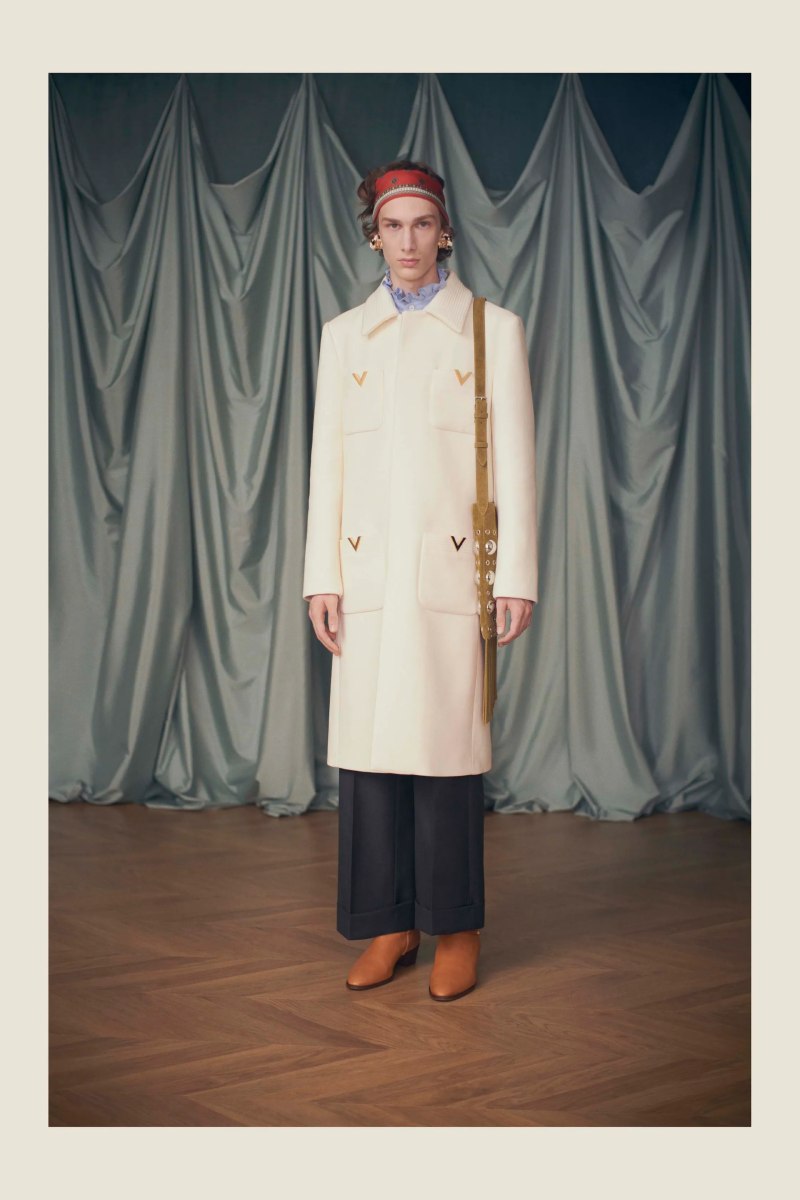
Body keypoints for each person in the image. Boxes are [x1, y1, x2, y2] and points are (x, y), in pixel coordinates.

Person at [302, 160, 538, 1001]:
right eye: (393, 226)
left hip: (450, 576)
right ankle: (388, 925)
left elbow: (516, 465)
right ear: (375, 236)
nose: (408, 242)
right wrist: (321, 576)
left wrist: (516, 575)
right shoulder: (344, 337)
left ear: (445, 232)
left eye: (422, 225)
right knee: (370, 763)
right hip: (365, 575)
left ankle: (456, 928)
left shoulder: (490, 330)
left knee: (445, 758)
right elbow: (327, 466)